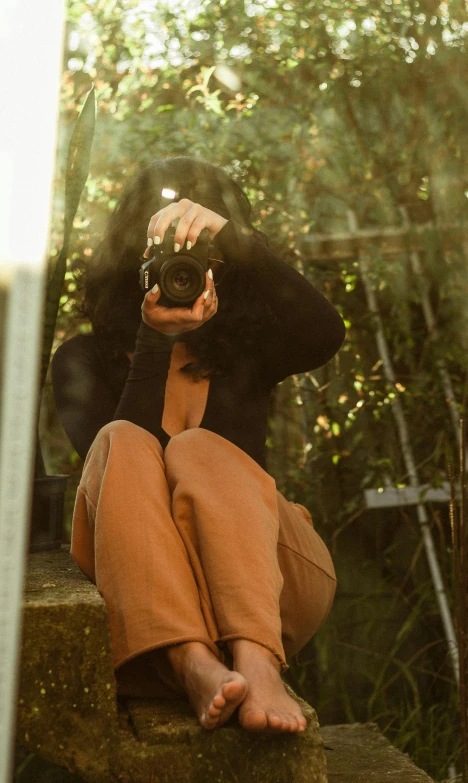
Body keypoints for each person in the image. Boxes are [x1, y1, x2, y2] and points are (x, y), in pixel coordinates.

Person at [52, 156, 345, 735]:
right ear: (132, 261)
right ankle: (193, 662)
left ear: (225, 266)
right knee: (122, 441)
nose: (182, 267)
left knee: (197, 450)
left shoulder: (250, 350)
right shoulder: (80, 362)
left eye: (201, 253)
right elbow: (123, 496)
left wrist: (235, 234)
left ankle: (258, 662)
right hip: (150, 619)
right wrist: (156, 339)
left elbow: (325, 331)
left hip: (274, 592)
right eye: (162, 251)